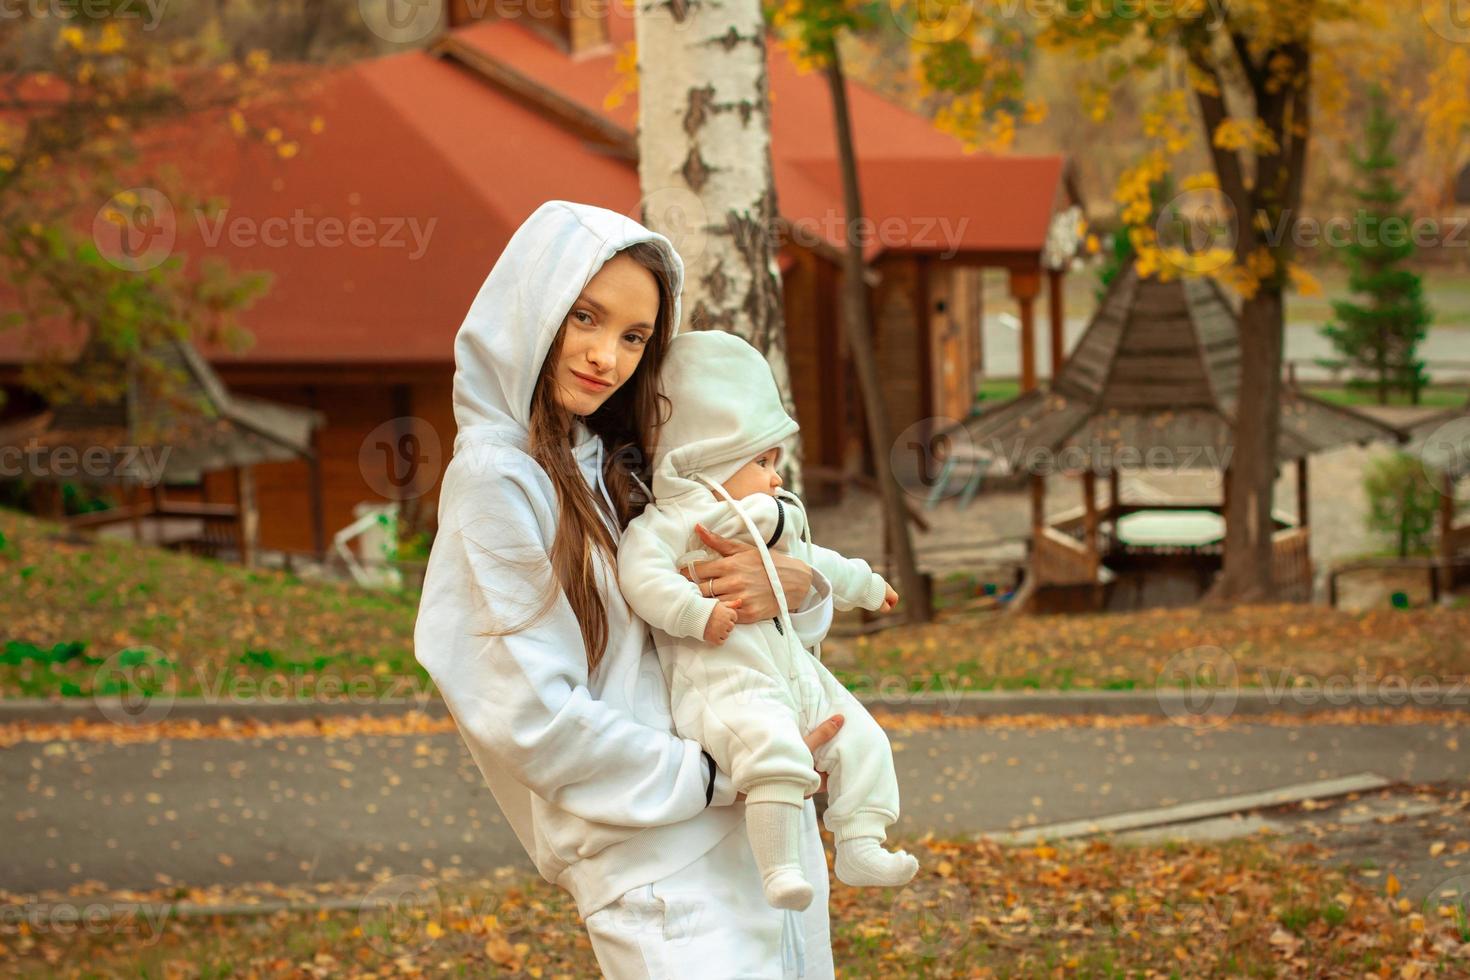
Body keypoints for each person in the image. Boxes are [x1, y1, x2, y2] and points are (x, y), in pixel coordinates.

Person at [414, 199, 845, 977]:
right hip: (657, 866)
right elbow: (531, 716)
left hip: (762, 832)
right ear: (535, 306)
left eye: (633, 337)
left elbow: (733, 633)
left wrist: (798, 587)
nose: (605, 357)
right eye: (585, 317)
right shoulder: (495, 482)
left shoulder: (624, 462)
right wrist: (714, 775)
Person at [616, 329, 918, 912]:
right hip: (728, 682)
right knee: (774, 754)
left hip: (795, 672)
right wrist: (693, 613)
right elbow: (641, 576)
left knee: (864, 739)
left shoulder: (771, 521)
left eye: (775, 461)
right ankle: (779, 867)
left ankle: (861, 841)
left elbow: (812, 563)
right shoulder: (669, 524)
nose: (777, 477)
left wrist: (866, 584)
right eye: (761, 461)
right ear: (709, 455)